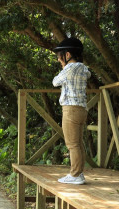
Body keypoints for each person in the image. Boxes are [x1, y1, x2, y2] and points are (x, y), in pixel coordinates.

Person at [52, 37, 91, 185]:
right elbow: (88, 75)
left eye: (60, 56)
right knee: (78, 143)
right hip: (82, 109)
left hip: (70, 109)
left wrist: (64, 67)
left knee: (72, 144)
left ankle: (75, 175)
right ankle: (78, 173)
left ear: (67, 55)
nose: (58, 59)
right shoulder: (83, 68)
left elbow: (55, 82)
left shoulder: (68, 69)